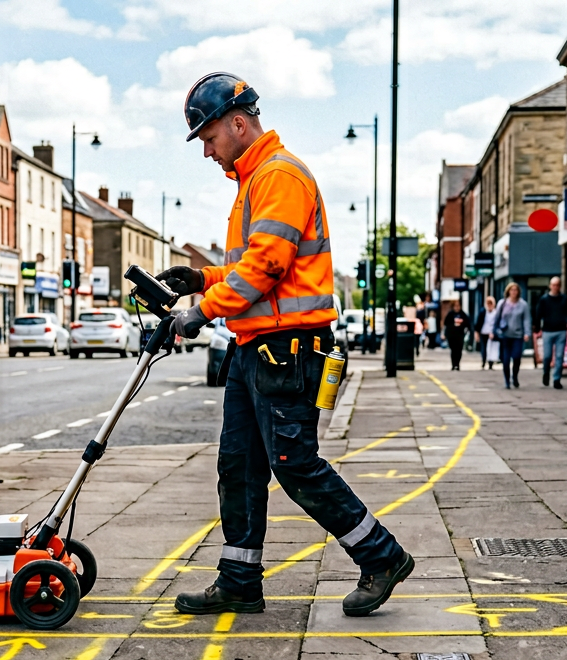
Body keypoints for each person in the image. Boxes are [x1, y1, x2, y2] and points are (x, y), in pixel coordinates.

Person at [156, 72, 413, 618]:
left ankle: (381, 555)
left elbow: (266, 267)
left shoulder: (278, 174)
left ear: (238, 123)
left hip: (289, 350)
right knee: (239, 466)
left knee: (295, 463)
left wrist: (199, 312)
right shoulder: (253, 180)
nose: (207, 151)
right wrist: (200, 279)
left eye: (209, 138)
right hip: (255, 349)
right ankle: (239, 580)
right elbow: (252, 264)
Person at [533, 276, 567, 389]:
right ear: (550, 286)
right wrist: (537, 328)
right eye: (553, 285)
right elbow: (538, 314)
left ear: (560, 286)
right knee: (547, 356)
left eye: (557, 285)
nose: (555, 287)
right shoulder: (544, 300)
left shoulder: (565, 300)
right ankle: (546, 372)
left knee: (559, 356)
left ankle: (557, 379)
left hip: (561, 331)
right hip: (547, 331)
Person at [495, 283, 529, 389]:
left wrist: (527, 333)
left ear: (518, 292)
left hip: (518, 335)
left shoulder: (523, 305)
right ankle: (507, 380)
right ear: (508, 291)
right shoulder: (502, 303)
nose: (514, 292)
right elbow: (497, 318)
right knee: (505, 360)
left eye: (515, 290)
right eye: (512, 290)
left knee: (516, 357)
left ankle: (515, 376)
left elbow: (526, 320)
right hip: (505, 335)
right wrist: (494, 331)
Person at [442, 300, 471, 371]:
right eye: (455, 306)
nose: (457, 307)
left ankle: (457, 364)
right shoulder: (450, 314)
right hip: (452, 335)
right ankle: (453, 364)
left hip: (460, 335)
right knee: (453, 350)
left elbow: (468, 324)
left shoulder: (463, 314)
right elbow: (446, 324)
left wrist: (466, 330)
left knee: (459, 350)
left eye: (458, 306)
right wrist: (445, 334)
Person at [474, 295, 498, 370]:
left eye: (491, 304)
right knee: (484, 348)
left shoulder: (496, 313)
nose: (489, 306)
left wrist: (494, 332)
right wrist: (477, 333)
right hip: (483, 332)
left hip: (492, 333)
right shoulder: (483, 312)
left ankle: (491, 363)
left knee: (491, 348)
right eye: (488, 304)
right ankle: (484, 361)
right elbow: (478, 323)